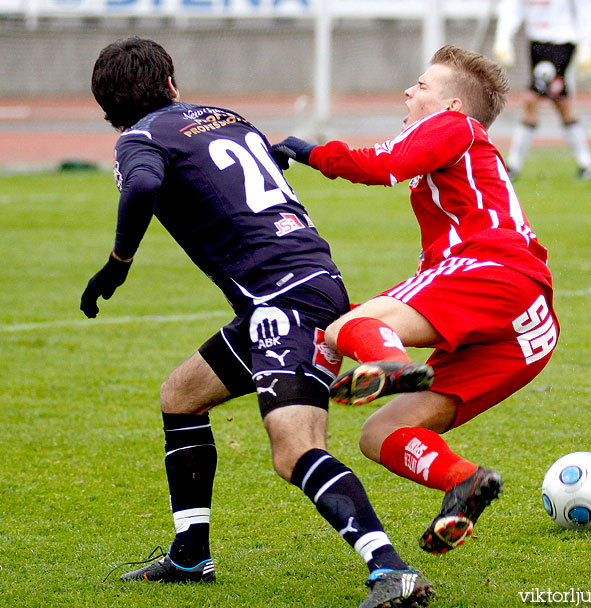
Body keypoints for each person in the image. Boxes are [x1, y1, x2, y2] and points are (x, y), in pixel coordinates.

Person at [81, 37, 434, 608]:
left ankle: (391, 570)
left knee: (294, 449)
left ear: (108, 109)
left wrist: (118, 264)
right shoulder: (224, 116)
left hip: (283, 302)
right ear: (170, 83)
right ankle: (191, 555)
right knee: (181, 395)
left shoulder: (139, 139)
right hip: (302, 285)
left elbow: (144, 183)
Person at [272, 45, 559, 555]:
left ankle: (390, 362)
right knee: (381, 433)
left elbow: (384, 163)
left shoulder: (457, 127)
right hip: (529, 329)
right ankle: (464, 481)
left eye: (422, 85)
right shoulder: (460, 149)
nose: (409, 91)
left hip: (495, 269)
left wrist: (310, 151)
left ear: (452, 106)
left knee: (345, 328)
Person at [492, 0, 591, 180]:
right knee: (562, 104)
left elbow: (584, 9)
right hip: (536, 43)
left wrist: (588, 44)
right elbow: (512, 7)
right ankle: (586, 164)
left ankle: (513, 165)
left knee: (530, 99)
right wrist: (503, 38)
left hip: (562, 43)